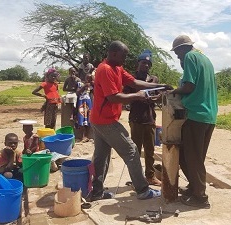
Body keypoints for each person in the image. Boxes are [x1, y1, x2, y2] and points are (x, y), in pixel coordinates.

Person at [88, 40, 172, 202]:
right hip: (106, 121)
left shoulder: (116, 67)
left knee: (101, 156)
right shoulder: (105, 69)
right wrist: (137, 95)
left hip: (99, 120)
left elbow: (134, 82)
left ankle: (97, 192)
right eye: (123, 55)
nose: (125, 58)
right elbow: (113, 98)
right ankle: (142, 190)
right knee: (132, 151)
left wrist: (160, 86)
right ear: (113, 54)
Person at [169, 35, 218, 208]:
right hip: (209, 115)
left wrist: (173, 92)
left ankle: (200, 198)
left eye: (177, 53)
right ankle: (193, 187)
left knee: (192, 157)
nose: (177, 56)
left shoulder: (190, 57)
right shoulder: (205, 58)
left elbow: (189, 87)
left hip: (196, 114)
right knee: (193, 156)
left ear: (183, 48)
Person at [123, 49, 161, 186]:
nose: (145, 66)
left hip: (150, 119)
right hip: (136, 119)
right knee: (136, 150)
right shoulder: (131, 80)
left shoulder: (154, 80)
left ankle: (150, 176)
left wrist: (155, 98)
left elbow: (159, 97)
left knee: (150, 150)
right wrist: (138, 97)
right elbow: (125, 98)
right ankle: (136, 179)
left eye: (148, 64)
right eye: (143, 63)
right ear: (137, 64)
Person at [76, 73, 93, 142]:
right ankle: (82, 136)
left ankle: (86, 136)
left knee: (88, 118)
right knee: (81, 118)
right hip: (81, 102)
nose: (88, 80)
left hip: (88, 102)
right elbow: (77, 93)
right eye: (87, 78)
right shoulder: (80, 84)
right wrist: (84, 87)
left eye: (90, 79)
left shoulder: (91, 86)